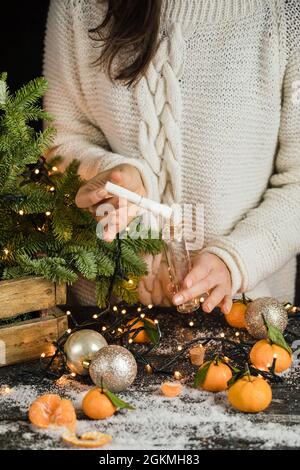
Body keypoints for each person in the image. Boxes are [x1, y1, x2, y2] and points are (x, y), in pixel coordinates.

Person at [44, 0, 300, 312]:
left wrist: (238, 259)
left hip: (244, 323)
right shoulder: (79, 7)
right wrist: (110, 172)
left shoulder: (285, 13)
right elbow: (61, 140)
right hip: (103, 322)